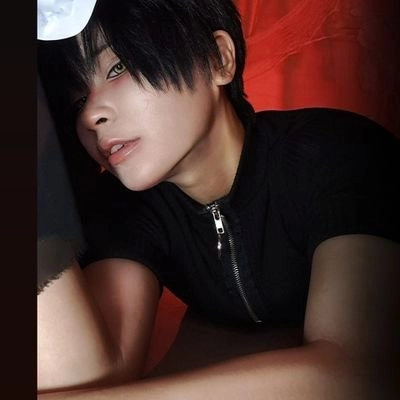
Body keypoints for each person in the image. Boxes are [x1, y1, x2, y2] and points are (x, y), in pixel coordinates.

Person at [38, 0, 400, 398]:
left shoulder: (336, 152)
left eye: (118, 68)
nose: (90, 115)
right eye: (77, 101)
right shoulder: (124, 207)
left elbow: (360, 373)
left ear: (218, 58)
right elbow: (98, 375)